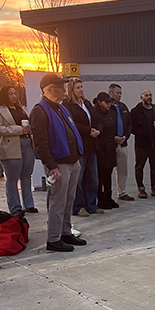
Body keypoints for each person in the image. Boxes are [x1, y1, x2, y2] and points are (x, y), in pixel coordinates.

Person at [30, 73, 87, 252]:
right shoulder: (39, 110)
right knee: (58, 201)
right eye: (60, 87)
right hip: (59, 164)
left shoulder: (61, 108)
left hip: (72, 160)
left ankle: (65, 231)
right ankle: (53, 238)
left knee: (69, 199)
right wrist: (51, 165)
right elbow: (40, 141)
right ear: (48, 90)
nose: (64, 90)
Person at [0, 85, 37, 215]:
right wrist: (18, 130)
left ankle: (29, 204)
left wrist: (29, 130)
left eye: (15, 93)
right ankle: (15, 207)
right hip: (10, 146)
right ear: (5, 95)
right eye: (11, 94)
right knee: (12, 178)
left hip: (27, 143)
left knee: (26, 176)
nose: (14, 96)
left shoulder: (21, 109)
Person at [62, 78, 103, 216]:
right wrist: (88, 131)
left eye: (82, 87)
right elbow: (70, 123)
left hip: (92, 145)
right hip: (80, 145)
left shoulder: (86, 102)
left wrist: (97, 130)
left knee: (92, 177)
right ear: (71, 89)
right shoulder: (67, 105)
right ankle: (78, 206)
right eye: (78, 87)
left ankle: (91, 204)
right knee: (78, 179)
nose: (81, 89)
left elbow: (96, 118)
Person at [130, 88, 155, 198]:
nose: (149, 97)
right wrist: (141, 133)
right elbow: (131, 127)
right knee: (139, 167)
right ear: (141, 97)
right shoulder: (135, 111)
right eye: (146, 95)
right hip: (141, 145)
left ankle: (154, 188)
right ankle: (141, 189)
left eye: (150, 95)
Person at [108, 83, 134, 201]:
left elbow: (129, 124)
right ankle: (106, 193)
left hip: (122, 143)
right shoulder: (107, 107)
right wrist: (113, 137)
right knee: (107, 169)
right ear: (110, 93)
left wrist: (125, 136)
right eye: (117, 93)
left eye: (120, 93)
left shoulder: (123, 107)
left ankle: (122, 192)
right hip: (110, 144)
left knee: (122, 169)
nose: (119, 95)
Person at [93, 92, 119, 209]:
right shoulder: (96, 114)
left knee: (108, 175)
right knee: (101, 176)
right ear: (99, 102)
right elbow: (99, 128)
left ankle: (108, 197)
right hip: (101, 150)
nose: (109, 104)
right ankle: (101, 199)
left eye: (110, 102)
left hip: (110, 148)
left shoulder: (108, 114)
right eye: (106, 102)